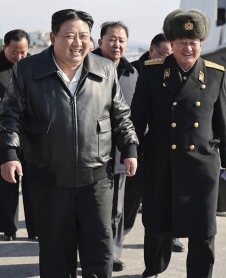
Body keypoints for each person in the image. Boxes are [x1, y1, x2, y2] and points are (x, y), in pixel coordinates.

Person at [0, 9, 139, 278]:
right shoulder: (28, 70)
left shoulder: (105, 69)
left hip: (96, 180)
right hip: (49, 179)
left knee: (99, 253)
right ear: (53, 37)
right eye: (70, 35)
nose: (78, 43)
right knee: (55, 254)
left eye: (84, 36)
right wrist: (8, 153)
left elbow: (121, 115)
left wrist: (130, 148)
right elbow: (10, 116)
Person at [131, 9, 226, 278]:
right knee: (157, 224)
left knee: (204, 229)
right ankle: (154, 269)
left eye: (193, 43)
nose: (188, 48)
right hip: (161, 161)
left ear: (201, 44)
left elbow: (223, 121)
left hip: (201, 165)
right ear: (172, 45)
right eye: (181, 43)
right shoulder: (152, 72)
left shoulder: (215, 74)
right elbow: (137, 117)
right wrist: (131, 151)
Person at [126, 32, 185, 253]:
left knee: (171, 195)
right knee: (132, 199)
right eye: (165, 54)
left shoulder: (178, 72)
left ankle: (173, 237)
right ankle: (118, 239)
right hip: (142, 146)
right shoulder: (134, 71)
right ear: (152, 51)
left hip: (165, 146)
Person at [0, 29, 36, 240]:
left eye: (23, 52)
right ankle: (9, 229)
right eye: (14, 52)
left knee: (32, 185)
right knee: (7, 186)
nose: (19, 57)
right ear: (4, 47)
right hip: (3, 135)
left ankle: (35, 228)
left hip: (31, 136)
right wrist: (10, 105)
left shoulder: (33, 65)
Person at [92, 21, 138, 272]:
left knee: (117, 207)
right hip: (92, 151)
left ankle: (112, 253)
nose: (116, 44)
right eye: (112, 39)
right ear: (100, 42)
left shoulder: (133, 74)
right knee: (93, 207)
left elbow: (137, 116)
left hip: (121, 152)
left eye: (121, 40)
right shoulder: (86, 68)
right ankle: (91, 251)